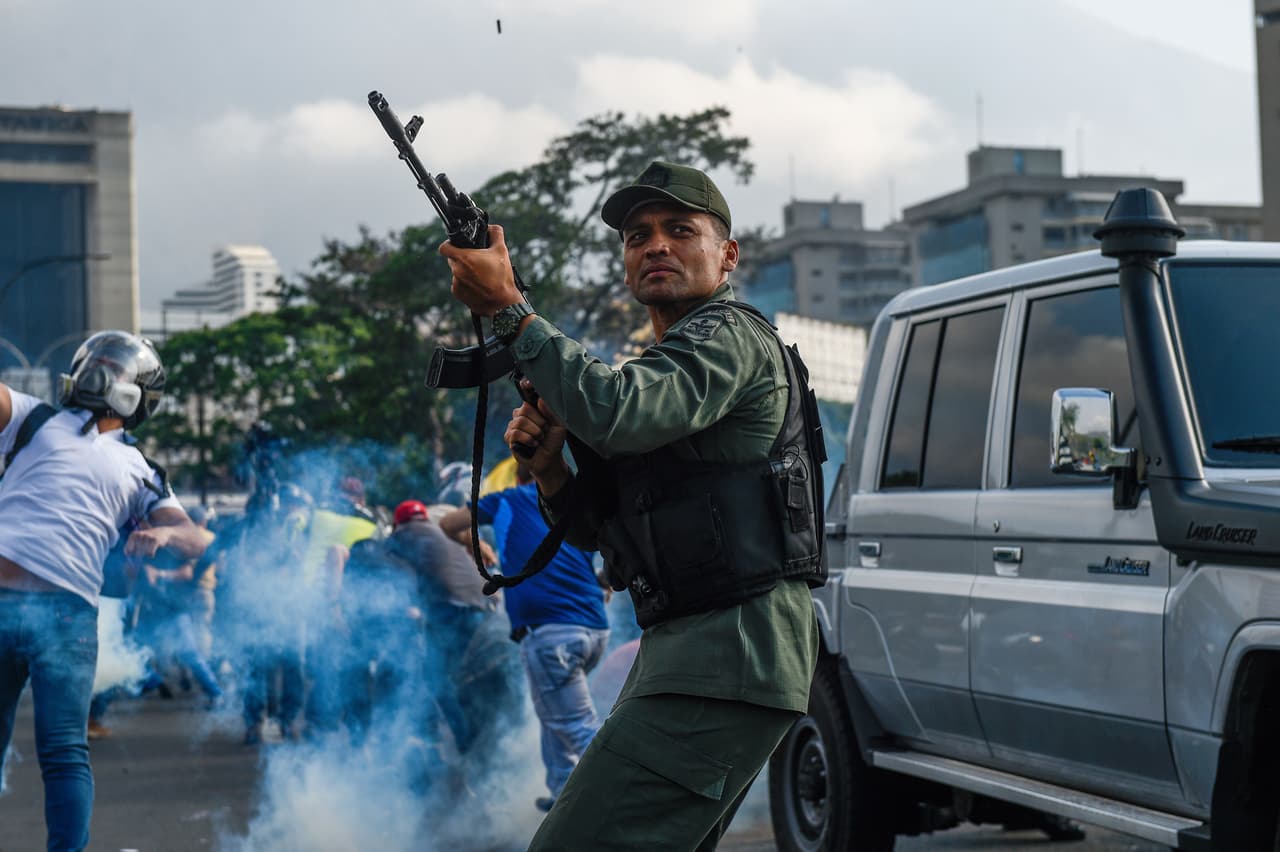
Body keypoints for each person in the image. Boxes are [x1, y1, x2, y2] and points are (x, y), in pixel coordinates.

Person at [439, 161, 825, 849]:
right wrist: (552, 467)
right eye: (638, 235)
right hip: (702, 655)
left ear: (727, 255)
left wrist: (509, 309)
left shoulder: (727, 336)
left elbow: (616, 412)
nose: (656, 246)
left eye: (681, 230)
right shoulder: (666, 370)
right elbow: (597, 532)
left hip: (723, 658)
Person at [0, 330, 208, 851]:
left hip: (67, 617)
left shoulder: (142, 469)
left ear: (138, 393)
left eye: (114, 365)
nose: (102, 370)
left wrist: (162, 531)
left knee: (64, 752)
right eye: (100, 361)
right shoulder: (34, 417)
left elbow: (197, 537)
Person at [439, 470, 609, 811]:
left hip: (552, 634)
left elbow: (448, 524)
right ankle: (563, 790)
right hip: (593, 630)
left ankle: (626, 804)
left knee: (576, 726)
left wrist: (476, 544)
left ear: (519, 476)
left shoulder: (507, 499)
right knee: (554, 713)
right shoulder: (576, 505)